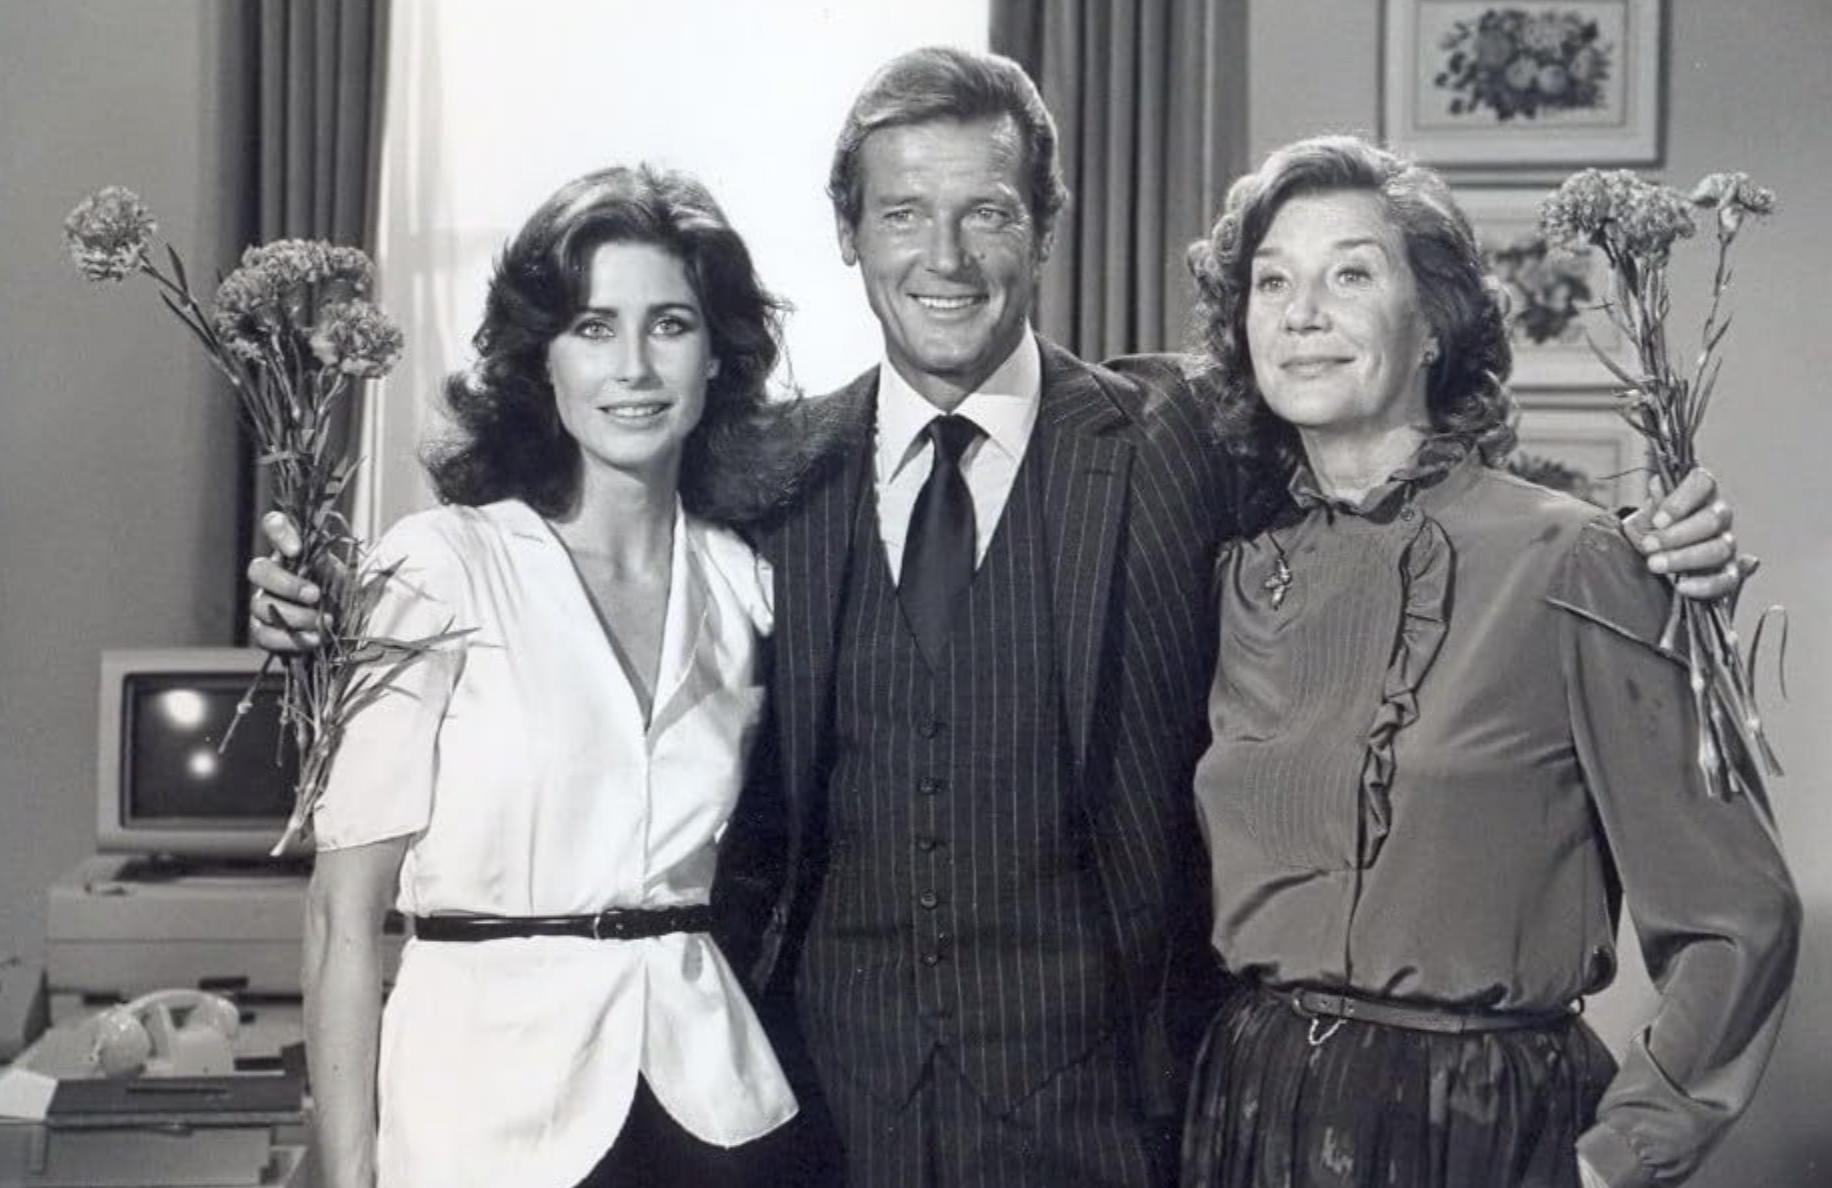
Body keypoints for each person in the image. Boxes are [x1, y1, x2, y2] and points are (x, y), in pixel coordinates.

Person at [253, 50, 1745, 1188]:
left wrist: (1645, 544)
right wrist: (321, 613)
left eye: (986, 212)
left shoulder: (1177, 438)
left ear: (1044, 227)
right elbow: (572, 532)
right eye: (903, 214)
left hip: (1118, 1124)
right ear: (850, 235)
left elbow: (1395, 478)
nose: (945, 256)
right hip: (812, 1120)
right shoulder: (767, 474)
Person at [1178, 134, 1800, 1188]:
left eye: (1350, 275)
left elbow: (1738, 916)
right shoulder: (1237, 573)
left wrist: (1614, 1159)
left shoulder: (1576, 560)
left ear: (1433, 324)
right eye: (1272, 282)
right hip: (1249, 1110)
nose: (1301, 314)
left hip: (1478, 1126)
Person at [296, 165, 806, 1188]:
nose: (634, 368)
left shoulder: (744, 583)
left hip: (711, 1111)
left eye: (670, 325)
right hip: (481, 1118)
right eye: (592, 328)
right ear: (542, 359)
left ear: (716, 356)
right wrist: (349, 1172)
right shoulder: (438, 567)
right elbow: (340, 916)